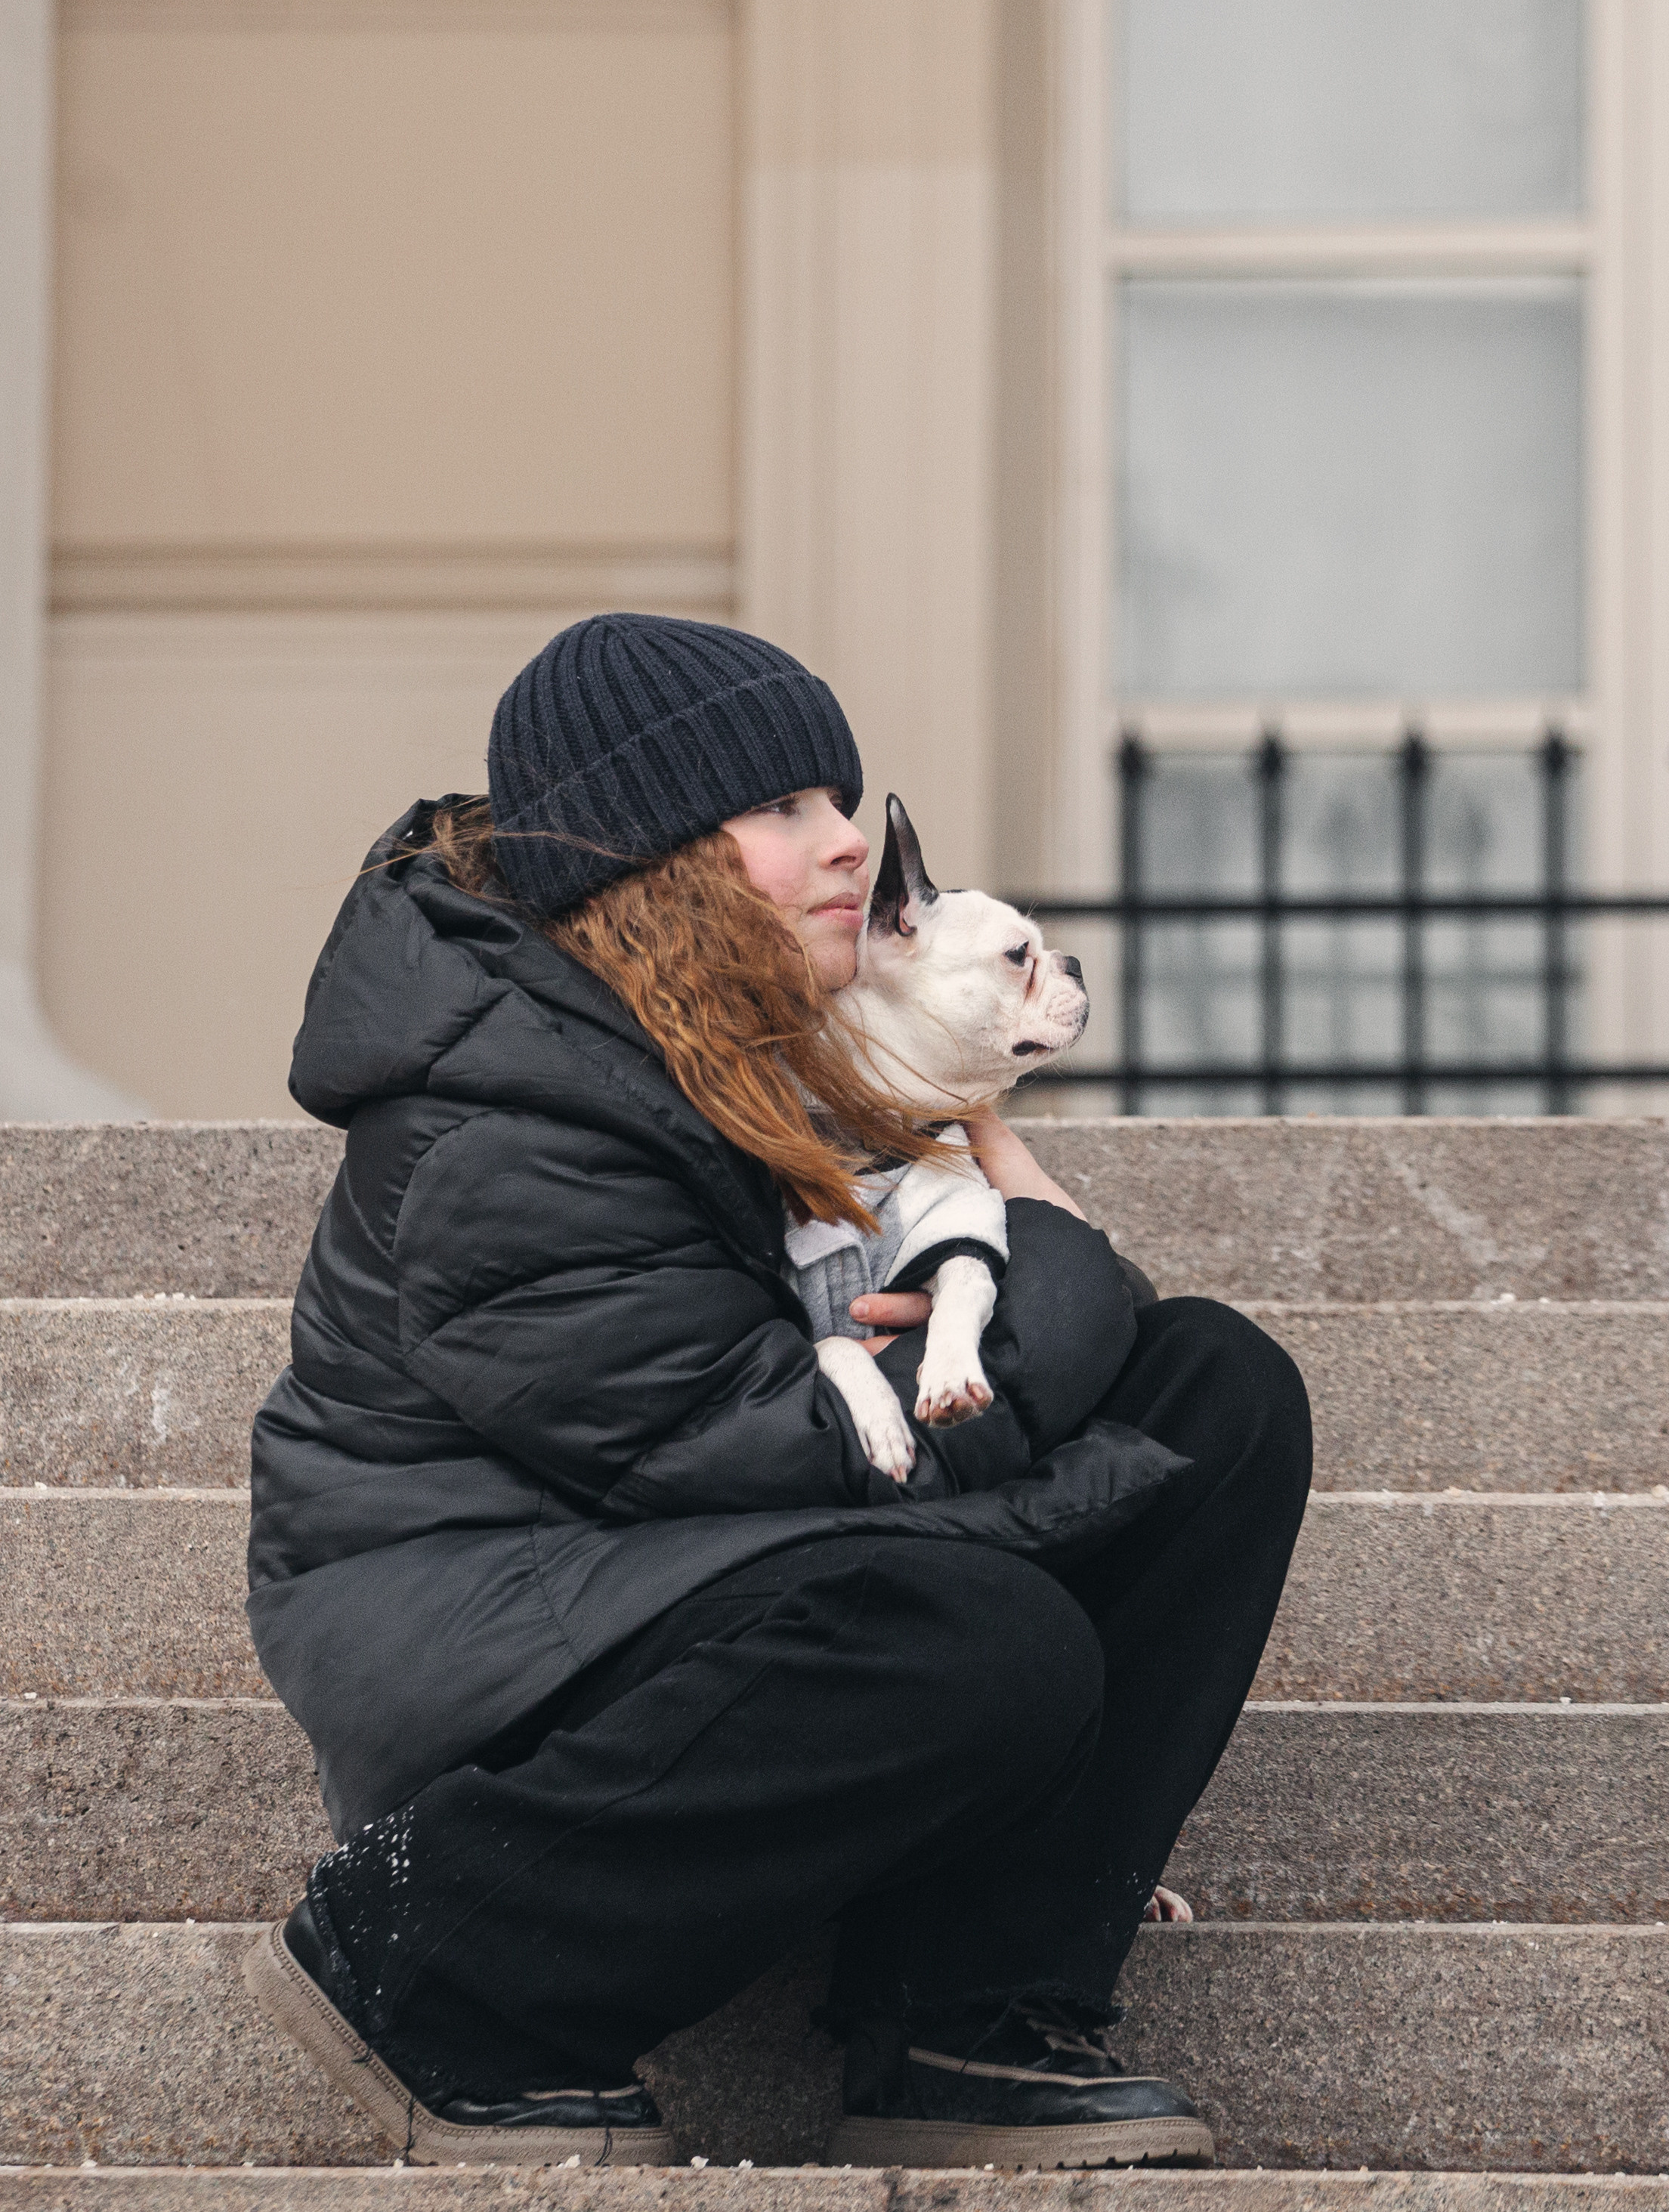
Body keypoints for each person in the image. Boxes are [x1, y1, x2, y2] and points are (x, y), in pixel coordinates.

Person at [244, 612, 1311, 2170]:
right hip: (484, 1621)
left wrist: (1005, 1301)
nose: (842, 847)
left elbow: (909, 1384)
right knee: (977, 1639)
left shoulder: (744, 1046)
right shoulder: (507, 1106)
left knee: (1210, 1392)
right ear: (649, 857)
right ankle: (437, 1964)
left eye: (837, 801)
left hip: (673, 1566)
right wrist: (1049, 1255)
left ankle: (968, 2004)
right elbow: (756, 1444)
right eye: (781, 811)